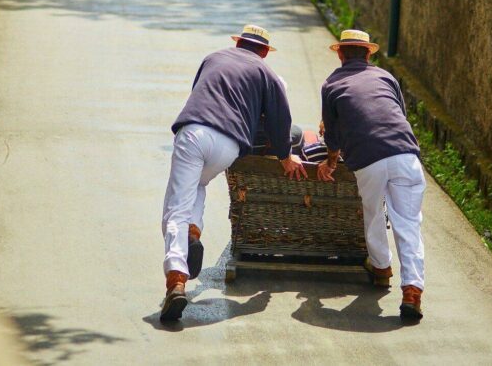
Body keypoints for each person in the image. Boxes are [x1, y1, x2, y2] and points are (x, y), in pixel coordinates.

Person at [160, 25, 307, 323]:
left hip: (195, 131)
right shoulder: (268, 75)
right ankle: (193, 231)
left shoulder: (212, 58)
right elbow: (281, 121)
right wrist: (284, 156)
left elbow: (197, 95)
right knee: (199, 184)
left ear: (238, 43)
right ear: (264, 52)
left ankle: (176, 278)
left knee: (177, 204)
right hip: (229, 145)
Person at [317, 29, 426, 321]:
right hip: (405, 154)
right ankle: (413, 291)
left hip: (368, 160)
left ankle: (380, 268)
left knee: (374, 213)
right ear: (368, 54)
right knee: (409, 224)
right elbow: (398, 113)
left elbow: (332, 134)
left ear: (340, 54)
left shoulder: (331, 84)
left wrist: (330, 162)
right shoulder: (386, 77)